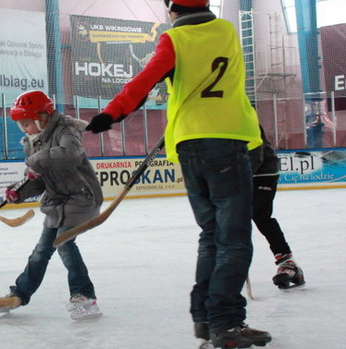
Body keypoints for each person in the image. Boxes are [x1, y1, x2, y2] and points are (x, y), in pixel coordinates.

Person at [84, 1, 272, 347]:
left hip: (189, 145)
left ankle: (205, 318)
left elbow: (144, 82)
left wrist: (112, 114)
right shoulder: (228, 32)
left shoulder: (174, 40)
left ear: (173, 9)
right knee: (233, 240)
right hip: (227, 142)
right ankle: (225, 322)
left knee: (211, 235)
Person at [0, 90, 102, 320]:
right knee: (41, 251)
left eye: (27, 123)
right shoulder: (31, 142)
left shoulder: (66, 130)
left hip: (81, 198)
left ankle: (84, 295)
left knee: (63, 242)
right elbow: (39, 181)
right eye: (20, 124)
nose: (24, 129)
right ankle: (20, 293)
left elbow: (71, 154)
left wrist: (36, 161)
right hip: (57, 202)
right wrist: (20, 192)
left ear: (42, 118)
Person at [249, 126, 305, 290]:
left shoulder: (240, 112)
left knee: (260, 215)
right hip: (240, 173)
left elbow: (255, 152)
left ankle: (288, 264)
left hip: (263, 172)